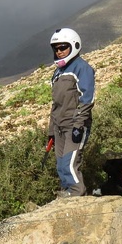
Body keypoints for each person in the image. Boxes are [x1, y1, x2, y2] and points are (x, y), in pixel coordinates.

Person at [48, 28, 95, 197]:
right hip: (59, 126)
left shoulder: (82, 68)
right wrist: (51, 131)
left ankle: (77, 195)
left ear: (74, 45)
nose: (59, 52)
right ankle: (67, 195)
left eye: (63, 47)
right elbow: (56, 105)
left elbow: (87, 99)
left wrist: (78, 125)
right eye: (56, 48)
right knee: (60, 165)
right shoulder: (58, 72)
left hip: (74, 126)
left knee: (69, 164)